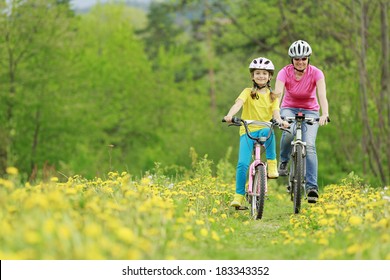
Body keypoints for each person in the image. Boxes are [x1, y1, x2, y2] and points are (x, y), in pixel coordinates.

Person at [224, 57, 289, 208]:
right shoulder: (247, 92)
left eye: (264, 73)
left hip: (265, 129)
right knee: (242, 164)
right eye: (258, 73)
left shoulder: (273, 96)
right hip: (247, 130)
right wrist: (229, 115)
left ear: (270, 76)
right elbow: (238, 104)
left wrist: (281, 121)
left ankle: (272, 164)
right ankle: (239, 196)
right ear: (252, 76)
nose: (261, 76)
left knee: (270, 129)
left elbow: (276, 113)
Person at [275, 40, 329, 203]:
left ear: (308, 59)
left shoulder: (317, 73)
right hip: (289, 108)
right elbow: (277, 95)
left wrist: (324, 113)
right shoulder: (284, 72)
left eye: (303, 58)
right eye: (297, 59)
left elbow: (322, 95)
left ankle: (311, 188)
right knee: (289, 132)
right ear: (292, 60)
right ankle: (284, 160)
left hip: (311, 110)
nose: (300, 61)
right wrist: (276, 114)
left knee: (310, 146)